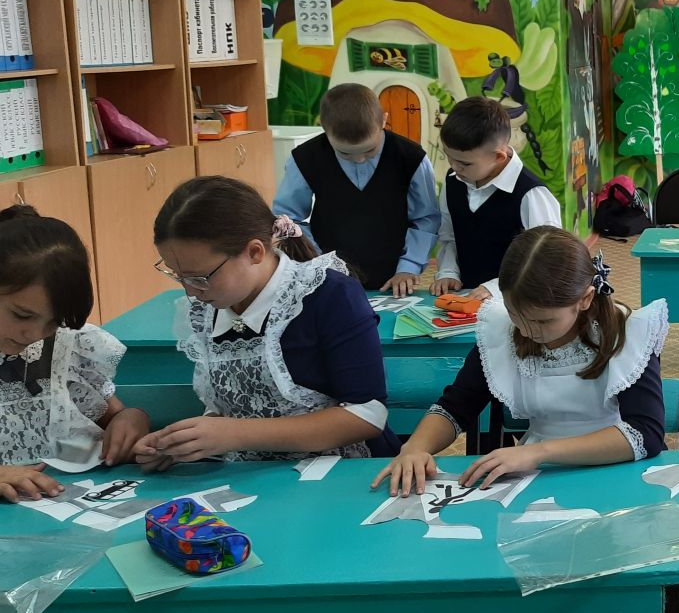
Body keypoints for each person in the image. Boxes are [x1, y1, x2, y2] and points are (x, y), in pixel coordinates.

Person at [375, 227, 668, 495]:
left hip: (614, 465)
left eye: (543, 321)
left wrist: (538, 452)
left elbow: (645, 433)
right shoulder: (502, 330)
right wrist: (416, 447)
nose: (527, 331)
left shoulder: (627, 332)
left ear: (586, 299)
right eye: (516, 315)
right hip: (537, 473)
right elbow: (456, 406)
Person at [137, 177, 397, 467]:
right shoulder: (208, 307)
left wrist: (234, 434)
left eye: (199, 277)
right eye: (177, 275)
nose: (190, 291)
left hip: (338, 470)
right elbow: (228, 407)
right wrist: (187, 442)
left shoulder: (328, 294)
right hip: (250, 473)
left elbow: (367, 415)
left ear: (255, 252)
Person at [0, 206, 148, 500]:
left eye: (54, 322)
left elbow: (114, 416)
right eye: (22, 315)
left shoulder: (65, 347)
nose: (34, 334)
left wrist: (132, 420)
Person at [273, 83, 441, 296]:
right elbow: (288, 218)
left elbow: (426, 218)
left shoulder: (412, 158)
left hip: (394, 277)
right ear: (324, 128)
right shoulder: (305, 159)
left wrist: (409, 266)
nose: (359, 159)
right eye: (345, 153)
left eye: (370, 150)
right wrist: (318, 262)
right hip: (328, 276)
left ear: (384, 120)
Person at [432, 97, 562, 299]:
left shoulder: (531, 194)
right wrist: (448, 272)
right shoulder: (453, 182)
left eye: (464, 163)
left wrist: (496, 287)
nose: (455, 167)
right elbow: (449, 238)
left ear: (498, 156)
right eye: (449, 157)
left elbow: (547, 260)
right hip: (466, 298)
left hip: (518, 302)